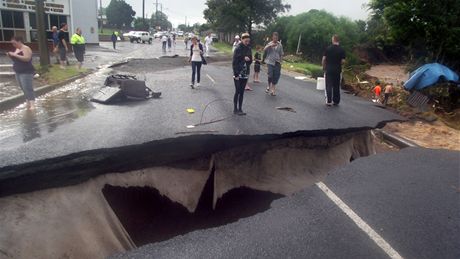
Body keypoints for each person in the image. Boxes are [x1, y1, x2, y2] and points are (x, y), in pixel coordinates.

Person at [7, 36, 36, 110]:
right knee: (23, 88)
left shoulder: (26, 48)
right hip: (18, 71)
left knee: (28, 88)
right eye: (12, 44)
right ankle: (28, 102)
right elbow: (16, 59)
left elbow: (27, 58)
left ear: (19, 41)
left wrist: (15, 55)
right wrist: (11, 55)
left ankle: (32, 104)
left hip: (26, 71)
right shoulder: (17, 49)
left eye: (15, 43)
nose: (14, 45)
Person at [322, 34, 346, 106]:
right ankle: (336, 101)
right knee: (336, 85)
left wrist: (324, 67)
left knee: (328, 85)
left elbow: (324, 59)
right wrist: (339, 64)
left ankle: (329, 101)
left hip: (329, 69)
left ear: (333, 40)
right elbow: (343, 61)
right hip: (338, 70)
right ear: (338, 40)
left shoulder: (328, 48)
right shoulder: (342, 50)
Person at [232, 33, 252, 115]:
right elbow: (234, 62)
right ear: (242, 40)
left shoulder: (249, 48)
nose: (247, 42)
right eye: (246, 41)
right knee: (238, 91)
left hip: (245, 73)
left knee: (242, 92)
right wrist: (236, 74)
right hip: (238, 73)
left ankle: (240, 109)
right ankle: (235, 109)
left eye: (248, 41)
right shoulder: (238, 48)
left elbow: (250, 60)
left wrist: (248, 60)